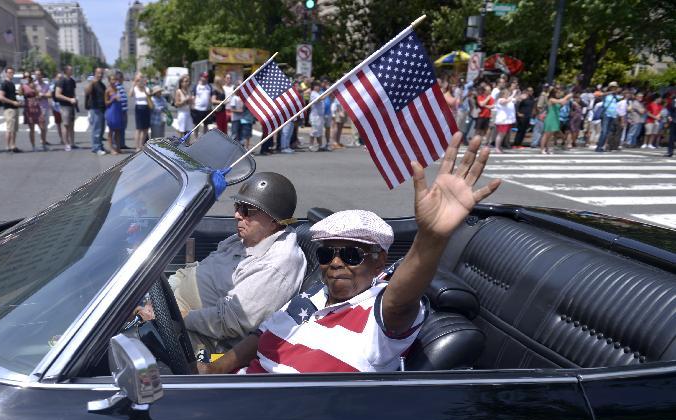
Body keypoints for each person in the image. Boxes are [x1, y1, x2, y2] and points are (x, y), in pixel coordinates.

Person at [200, 133, 501, 375]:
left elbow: (401, 300)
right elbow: (260, 335)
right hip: (239, 391)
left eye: (351, 255)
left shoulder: (380, 310)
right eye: (326, 255)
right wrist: (214, 369)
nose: (335, 263)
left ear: (379, 260)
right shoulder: (314, 294)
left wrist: (431, 238)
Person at [150, 172, 307, 353]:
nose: (237, 215)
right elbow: (198, 269)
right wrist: (161, 296)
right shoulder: (244, 239)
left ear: (274, 221)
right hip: (173, 309)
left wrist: (172, 316)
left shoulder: (277, 264)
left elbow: (229, 323)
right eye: (237, 206)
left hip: (199, 336)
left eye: (247, 210)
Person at [540, 87, 572, 154]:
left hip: (556, 118)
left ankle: (547, 149)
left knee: (550, 135)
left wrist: (568, 98)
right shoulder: (551, 99)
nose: (559, 94)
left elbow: (563, 102)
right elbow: (561, 101)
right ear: (554, 93)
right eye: (558, 93)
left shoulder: (557, 100)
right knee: (546, 134)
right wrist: (567, 96)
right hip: (550, 118)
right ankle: (542, 149)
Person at [0, 67, 21, 153]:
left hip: (15, 108)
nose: (11, 74)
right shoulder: (5, 83)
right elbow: (0, 97)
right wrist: (12, 102)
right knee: (10, 129)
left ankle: (13, 145)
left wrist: (17, 101)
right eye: (9, 72)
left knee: (14, 129)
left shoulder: (12, 83)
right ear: (6, 73)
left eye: (12, 72)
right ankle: (7, 146)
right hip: (9, 108)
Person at [84, 66, 107, 155]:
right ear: (95, 74)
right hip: (95, 109)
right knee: (96, 129)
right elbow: (87, 91)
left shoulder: (102, 84)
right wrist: (92, 83)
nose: (100, 75)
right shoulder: (93, 83)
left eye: (101, 73)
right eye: (98, 73)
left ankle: (100, 145)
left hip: (102, 109)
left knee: (101, 130)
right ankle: (96, 147)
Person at [55, 65, 79, 150]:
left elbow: (73, 92)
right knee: (65, 125)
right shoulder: (61, 81)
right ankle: (66, 144)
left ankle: (72, 143)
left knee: (72, 125)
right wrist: (69, 99)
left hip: (72, 105)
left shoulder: (72, 81)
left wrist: (75, 99)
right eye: (70, 70)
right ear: (66, 71)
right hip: (64, 106)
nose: (72, 71)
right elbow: (57, 94)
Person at [19, 72, 42, 152]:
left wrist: (34, 88)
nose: (27, 78)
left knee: (42, 125)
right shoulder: (23, 85)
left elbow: (38, 94)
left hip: (35, 105)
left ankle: (43, 143)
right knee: (31, 128)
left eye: (28, 76)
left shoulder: (33, 84)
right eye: (25, 77)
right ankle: (33, 146)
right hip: (28, 106)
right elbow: (20, 94)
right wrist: (21, 86)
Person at [594, 82, 620, 152]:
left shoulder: (616, 96)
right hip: (606, 114)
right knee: (604, 131)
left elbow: (621, 99)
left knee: (608, 132)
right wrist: (611, 92)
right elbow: (597, 94)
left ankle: (603, 146)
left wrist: (616, 93)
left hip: (613, 115)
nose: (614, 88)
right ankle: (599, 146)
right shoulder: (606, 95)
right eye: (612, 87)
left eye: (615, 87)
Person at [104, 73, 124, 154]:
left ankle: (118, 147)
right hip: (111, 111)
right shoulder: (107, 90)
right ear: (109, 80)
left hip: (118, 111)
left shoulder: (117, 89)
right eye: (112, 79)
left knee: (118, 130)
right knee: (111, 131)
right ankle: (111, 148)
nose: (114, 81)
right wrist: (113, 98)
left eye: (115, 79)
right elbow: (106, 103)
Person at [33, 70, 52, 151]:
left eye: (39, 74)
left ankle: (43, 141)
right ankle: (41, 142)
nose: (38, 76)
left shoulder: (46, 85)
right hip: (37, 108)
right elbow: (33, 95)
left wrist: (42, 95)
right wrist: (39, 96)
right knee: (41, 126)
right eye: (36, 75)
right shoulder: (34, 85)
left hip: (45, 107)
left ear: (42, 75)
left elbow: (50, 94)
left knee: (45, 126)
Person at [131, 73, 151, 148]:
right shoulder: (135, 88)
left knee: (145, 129)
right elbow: (130, 94)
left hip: (146, 108)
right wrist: (133, 84)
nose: (140, 81)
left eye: (141, 79)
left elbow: (149, 97)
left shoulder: (146, 88)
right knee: (139, 128)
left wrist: (144, 88)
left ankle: (141, 145)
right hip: (139, 108)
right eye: (138, 80)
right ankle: (137, 147)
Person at [493, 89, 515, 153]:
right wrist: (512, 95)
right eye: (507, 93)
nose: (508, 94)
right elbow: (505, 102)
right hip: (501, 120)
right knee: (500, 134)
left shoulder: (507, 99)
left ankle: (499, 146)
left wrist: (514, 96)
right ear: (503, 94)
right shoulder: (500, 100)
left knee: (503, 134)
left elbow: (514, 100)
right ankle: (497, 147)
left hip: (506, 120)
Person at [191, 72, 212, 139]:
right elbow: (193, 96)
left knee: (206, 125)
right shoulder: (196, 86)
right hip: (197, 108)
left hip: (206, 109)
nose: (205, 78)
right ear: (200, 77)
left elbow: (210, 97)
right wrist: (192, 105)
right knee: (196, 125)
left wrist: (210, 106)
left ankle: (204, 139)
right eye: (204, 77)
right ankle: (195, 138)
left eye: (206, 77)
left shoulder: (209, 86)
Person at [308, 80, 327, 151]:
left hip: (320, 116)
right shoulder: (313, 93)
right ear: (314, 87)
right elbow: (320, 99)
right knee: (314, 131)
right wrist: (330, 92)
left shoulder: (318, 93)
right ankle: (310, 145)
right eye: (317, 86)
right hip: (315, 116)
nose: (319, 87)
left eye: (319, 86)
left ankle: (320, 145)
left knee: (319, 131)